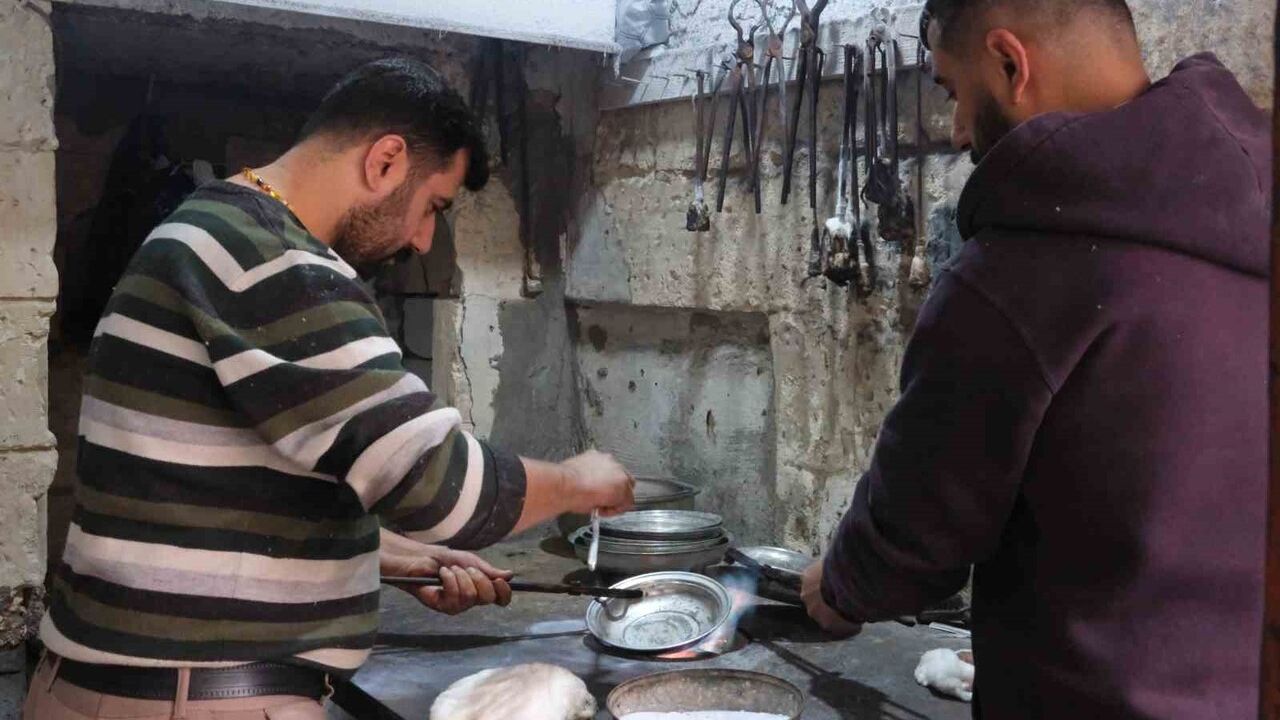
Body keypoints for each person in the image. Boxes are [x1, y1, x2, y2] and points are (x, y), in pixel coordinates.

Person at [26, 57, 635, 720]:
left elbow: (217, 497)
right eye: (432, 207)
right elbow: (445, 488)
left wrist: (386, 557)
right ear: (385, 160)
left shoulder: (211, 232)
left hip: (140, 689)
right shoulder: (272, 260)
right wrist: (582, 481)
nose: (423, 237)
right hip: (190, 700)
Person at [800, 1, 1269, 718]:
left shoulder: (1019, 273)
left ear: (1011, 63)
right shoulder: (1249, 213)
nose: (957, 131)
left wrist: (840, 586)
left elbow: (921, 525)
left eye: (953, 92)